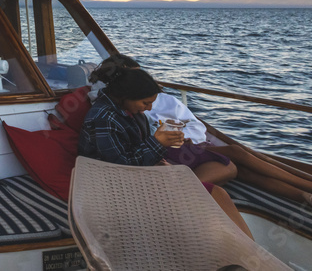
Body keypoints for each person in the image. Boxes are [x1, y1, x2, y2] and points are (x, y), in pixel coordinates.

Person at [95, 54, 312, 207]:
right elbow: (129, 150)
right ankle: (304, 188)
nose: (143, 84)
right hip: (166, 151)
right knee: (237, 155)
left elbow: (197, 126)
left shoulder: (161, 101)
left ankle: (303, 193)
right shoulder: (113, 111)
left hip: (187, 145)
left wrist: (184, 136)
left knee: (241, 160)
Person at [80, 62, 254, 237]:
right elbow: (121, 166)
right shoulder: (103, 118)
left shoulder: (126, 110)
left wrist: (162, 159)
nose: (148, 108)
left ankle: (247, 249)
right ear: (126, 95)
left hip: (139, 176)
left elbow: (135, 150)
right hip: (117, 187)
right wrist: (158, 143)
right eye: (145, 103)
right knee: (215, 194)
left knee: (217, 192)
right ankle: (250, 252)